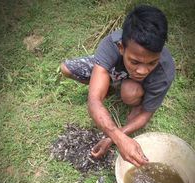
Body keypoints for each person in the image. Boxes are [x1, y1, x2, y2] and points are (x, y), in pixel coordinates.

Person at [60, 5, 175, 167]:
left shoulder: (165, 71)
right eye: (135, 61)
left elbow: (146, 114)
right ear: (121, 47)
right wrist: (118, 137)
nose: (142, 70)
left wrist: (111, 138)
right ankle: (109, 87)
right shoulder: (110, 45)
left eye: (152, 62)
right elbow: (94, 101)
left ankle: (128, 92)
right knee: (67, 68)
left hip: (133, 86)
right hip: (115, 70)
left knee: (130, 93)